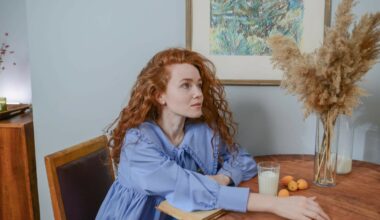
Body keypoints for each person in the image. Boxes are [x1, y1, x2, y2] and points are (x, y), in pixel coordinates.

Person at [96, 48, 330, 220]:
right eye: (186, 85)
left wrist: (222, 178)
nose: (198, 93)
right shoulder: (138, 142)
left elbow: (243, 160)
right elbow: (185, 187)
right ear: (159, 95)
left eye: (199, 85)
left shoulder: (202, 130)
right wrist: (273, 204)